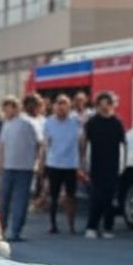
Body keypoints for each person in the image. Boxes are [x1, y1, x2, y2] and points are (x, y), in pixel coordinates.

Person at [0, 96, 43, 242]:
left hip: (24, 168)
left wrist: (37, 162)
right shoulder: (5, 124)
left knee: (20, 201)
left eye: (7, 108)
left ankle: (15, 232)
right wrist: (0, 167)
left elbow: (40, 143)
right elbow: (1, 147)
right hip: (8, 167)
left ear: (15, 108)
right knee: (4, 201)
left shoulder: (28, 122)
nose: (5, 111)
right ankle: (0, 231)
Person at [79, 92, 127, 239]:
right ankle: (91, 227)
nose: (104, 107)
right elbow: (84, 142)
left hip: (112, 165)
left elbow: (124, 144)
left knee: (110, 197)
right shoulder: (92, 122)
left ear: (113, 105)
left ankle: (108, 227)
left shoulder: (117, 123)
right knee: (96, 196)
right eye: (101, 104)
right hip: (96, 165)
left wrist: (124, 163)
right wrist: (82, 162)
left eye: (107, 104)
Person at [42, 94, 81, 234]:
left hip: (71, 164)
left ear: (69, 106)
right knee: (53, 196)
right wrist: (42, 164)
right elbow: (46, 144)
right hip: (54, 163)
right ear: (54, 106)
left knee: (71, 196)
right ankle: (53, 225)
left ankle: (72, 225)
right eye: (59, 104)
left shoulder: (76, 121)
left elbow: (81, 141)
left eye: (64, 104)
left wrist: (81, 162)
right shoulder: (49, 122)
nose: (61, 107)